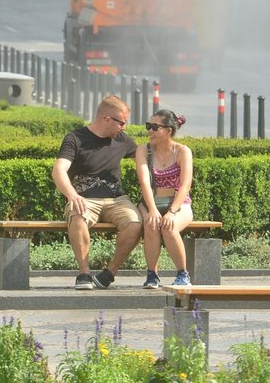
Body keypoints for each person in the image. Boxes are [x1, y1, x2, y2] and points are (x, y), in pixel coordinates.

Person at [51, 95, 141, 290]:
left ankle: (109, 273)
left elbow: (145, 161)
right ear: (107, 119)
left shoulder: (122, 140)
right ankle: (84, 273)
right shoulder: (75, 138)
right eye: (122, 123)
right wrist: (72, 195)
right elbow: (59, 170)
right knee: (78, 217)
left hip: (116, 199)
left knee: (135, 224)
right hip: (85, 199)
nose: (124, 127)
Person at [135, 110, 194, 289]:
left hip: (178, 203)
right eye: (148, 126)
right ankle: (152, 274)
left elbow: (185, 185)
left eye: (154, 127)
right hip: (150, 201)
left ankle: (182, 274)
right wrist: (152, 210)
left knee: (169, 226)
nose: (149, 131)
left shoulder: (183, 151)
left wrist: (172, 211)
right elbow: (144, 182)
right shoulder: (143, 150)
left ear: (168, 130)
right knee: (151, 224)